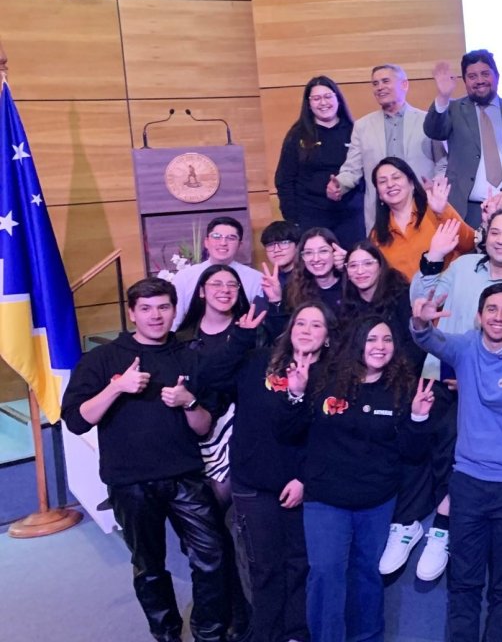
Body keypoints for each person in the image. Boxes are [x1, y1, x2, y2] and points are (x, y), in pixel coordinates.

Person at [389, 208, 502, 582]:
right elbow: (422, 305)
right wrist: (433, 258)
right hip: (438, 374)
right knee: (412, 429)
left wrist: (479, 377)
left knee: (453, 434)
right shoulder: (462, 267)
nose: (501, 240)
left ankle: (443, 526)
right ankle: (407, 520)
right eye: (496, 232)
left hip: (491, 393)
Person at [63, 277, 228, 642]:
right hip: (130, 481)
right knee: (149, 566)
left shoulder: (191, 357)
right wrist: (116, 388)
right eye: (147, 309)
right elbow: (76, 420)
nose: (156, 316)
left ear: (174, 311)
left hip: (186, 476)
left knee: (212, 557)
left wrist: (189, 402)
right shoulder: (102, 359)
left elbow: (204, 428)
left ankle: (209, 634)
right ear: (132, 313)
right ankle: (167, 635)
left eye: (164, 307)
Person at [278, 315, 436, 642]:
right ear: (357, 343)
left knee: (366, 576)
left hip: (376, 502)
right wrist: (296, 394)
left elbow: (412, 452)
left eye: (387, 340)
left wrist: (418, 417)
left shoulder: (403, 388)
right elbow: (289, 432)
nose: (380, 346)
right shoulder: (324, 378)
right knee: (325, 574)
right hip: (326, 499)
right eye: (372, 339)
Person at [410, 282, 502, 642]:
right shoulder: (465, 347)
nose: (499, 316)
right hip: (469, 483)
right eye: (492, 309)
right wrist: (422, 323)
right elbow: (428, 340)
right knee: (464, 583)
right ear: (479, 315)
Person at [194, 302, 335, 642]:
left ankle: (296, 634)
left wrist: (304, 479)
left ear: (328, 337)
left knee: (300, 564)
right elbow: (208, 376)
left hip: (304, 485)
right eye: (301, 323)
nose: (306, 330)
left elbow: (332, 439)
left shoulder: (336, 378)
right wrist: (241, 338)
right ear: (290, 329)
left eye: (316, 325)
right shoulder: (259, 361)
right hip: (254, 485)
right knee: (265, 568)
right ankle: (268, 635)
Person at [174, 265, 254, 639]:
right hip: (193, 444)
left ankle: (245, 617)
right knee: (206, 544)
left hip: (240, 443)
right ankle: (216, 614)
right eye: (216, 284)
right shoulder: (180, 338)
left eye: (232, 284)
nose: (224, 290)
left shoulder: (251, 332)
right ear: (202, 291)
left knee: (239, 537)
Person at [328, 64, 446, 232]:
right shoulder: (362, 126)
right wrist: (340, 184)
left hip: (423, 207)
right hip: (381, 214)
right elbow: (352, 169)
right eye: (375, 83)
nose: (380, 87)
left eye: (385, 81)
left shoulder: (427, 121)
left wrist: (436, 186)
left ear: (404, 85)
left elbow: (443, 163)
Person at [427, 50, 502, 226]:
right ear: (465, 81)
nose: (479, 81)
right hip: (467, 212)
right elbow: (434, 131)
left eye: (485, 74)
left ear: (497, 76)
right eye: (472, 76)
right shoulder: (454, 109)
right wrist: (443, 97)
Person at [275, 75, 364, 248]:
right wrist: (293, 220)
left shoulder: (355, 131)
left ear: (338, 99)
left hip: (351, 217)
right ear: (308, 104)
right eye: (316, 98)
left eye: (328, 96)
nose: (323, 103)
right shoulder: (297, 135)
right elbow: (284, 180)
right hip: (310, 217)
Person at [367, 156, 475, 280]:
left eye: (396, 177)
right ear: (379, 194)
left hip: (447, 288)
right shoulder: (376, 236)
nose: (390, 184)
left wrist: (442, 212)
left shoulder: (435, 210)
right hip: (405, 292)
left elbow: (469, 243)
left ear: (412, 183)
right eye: (382, 181)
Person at [341, 241, 424, 373]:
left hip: (404, 373)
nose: (360, 271)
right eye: (353, 265)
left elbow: (416, 344)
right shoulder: (348, 305)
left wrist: (389, 375)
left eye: (368, 263)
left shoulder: (401, 296)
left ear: (380, 267)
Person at [172, 217, 264, 327]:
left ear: (239, 245)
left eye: (231, 238)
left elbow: (260, 322)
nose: (223, 243)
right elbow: (174, 323)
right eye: (216, 236)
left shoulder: (256, 278)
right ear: (206, 242)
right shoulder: (184, 277)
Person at [276, 227, 345, 313]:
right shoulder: (294, 290)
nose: (316, 259)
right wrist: (275, 300)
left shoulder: (349, 286)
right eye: (308, 253)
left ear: (336, 253)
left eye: (323, 251)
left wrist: (348, 265)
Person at [260, 221, 301, 288]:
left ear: (297, 246)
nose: (276, 250)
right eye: (270, 245)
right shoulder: (269, 283)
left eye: (283, 243)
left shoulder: (310, 277)